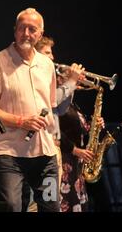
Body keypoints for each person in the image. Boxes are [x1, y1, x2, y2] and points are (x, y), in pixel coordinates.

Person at [0, 8, 60, 212]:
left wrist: (56, 142)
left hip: (44, 153)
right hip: (10, 153)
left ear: (40, 34)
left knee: (51, 206)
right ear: (14, 31)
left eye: (32, 29)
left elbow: (50, 107)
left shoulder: (47, 65)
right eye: (22, 28)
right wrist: (21, 121)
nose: (26, 33)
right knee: (11, 206)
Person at [35, 37, 98, 212]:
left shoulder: (50, 79)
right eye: (47, 52)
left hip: (54, 150)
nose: (53, 57)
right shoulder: (36, 78)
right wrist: (71, 82)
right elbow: (51, 104)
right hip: (42, 148)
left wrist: (72, 82)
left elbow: (60, 109)